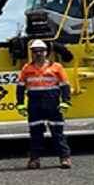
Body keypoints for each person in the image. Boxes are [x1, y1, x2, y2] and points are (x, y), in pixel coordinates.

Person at [16, 39, 72, 169]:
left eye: (41, 51)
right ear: (32, 53)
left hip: (53, 103)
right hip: (34, 104)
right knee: (35, 133)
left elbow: (65, 85)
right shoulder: (26, 68)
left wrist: (65, 102)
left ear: (46, 52)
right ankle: (34, 160)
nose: (38, 53)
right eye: (35, 51)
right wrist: (20, 104)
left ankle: (65, 158)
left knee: (58, 133)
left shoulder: (57, 67)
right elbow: (20, 87)